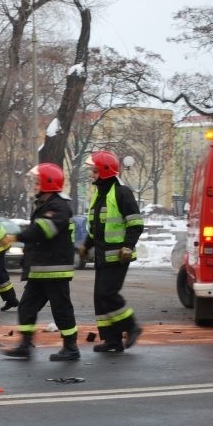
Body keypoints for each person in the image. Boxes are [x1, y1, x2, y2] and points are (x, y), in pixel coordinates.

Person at [0, 163, 80, 361]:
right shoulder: (45, 204)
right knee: (26, 307)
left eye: (37, 182)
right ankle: (25, 345)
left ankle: (71, 347)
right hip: (41, 269)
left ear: (48, 183)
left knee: (61, 309)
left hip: (54, 269)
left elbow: (44, 231)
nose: (34, 185)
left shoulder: (58, 207)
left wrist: (16, 237)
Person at [80, 150, 144, 352]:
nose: (93, 175)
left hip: (118, 256)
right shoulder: (100, 193)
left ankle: (131, 326)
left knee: (107, 294)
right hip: (102, 255)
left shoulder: (121, 192)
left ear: (106, 171)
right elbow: (98, 227)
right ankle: (112, 340)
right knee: (100, 298)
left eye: (95, 171)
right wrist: (87, 244)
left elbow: (135, 224)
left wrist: (127, 246)